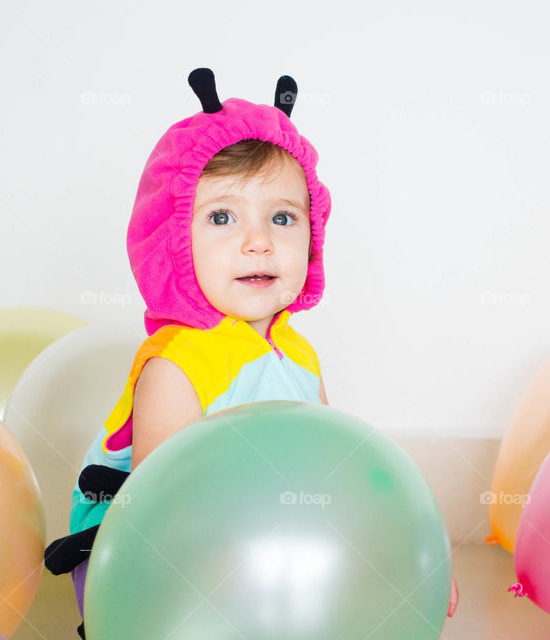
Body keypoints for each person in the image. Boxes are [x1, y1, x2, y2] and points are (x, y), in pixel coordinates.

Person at [44, 67, 333, 639]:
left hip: (253, 542)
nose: (259, 240)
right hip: (151, 558)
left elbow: (328, 466)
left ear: (312, 232)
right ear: (173, 238)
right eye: (222, 218)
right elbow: (163, 515)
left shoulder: (298, 355)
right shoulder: (176, 365)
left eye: (282, 217)